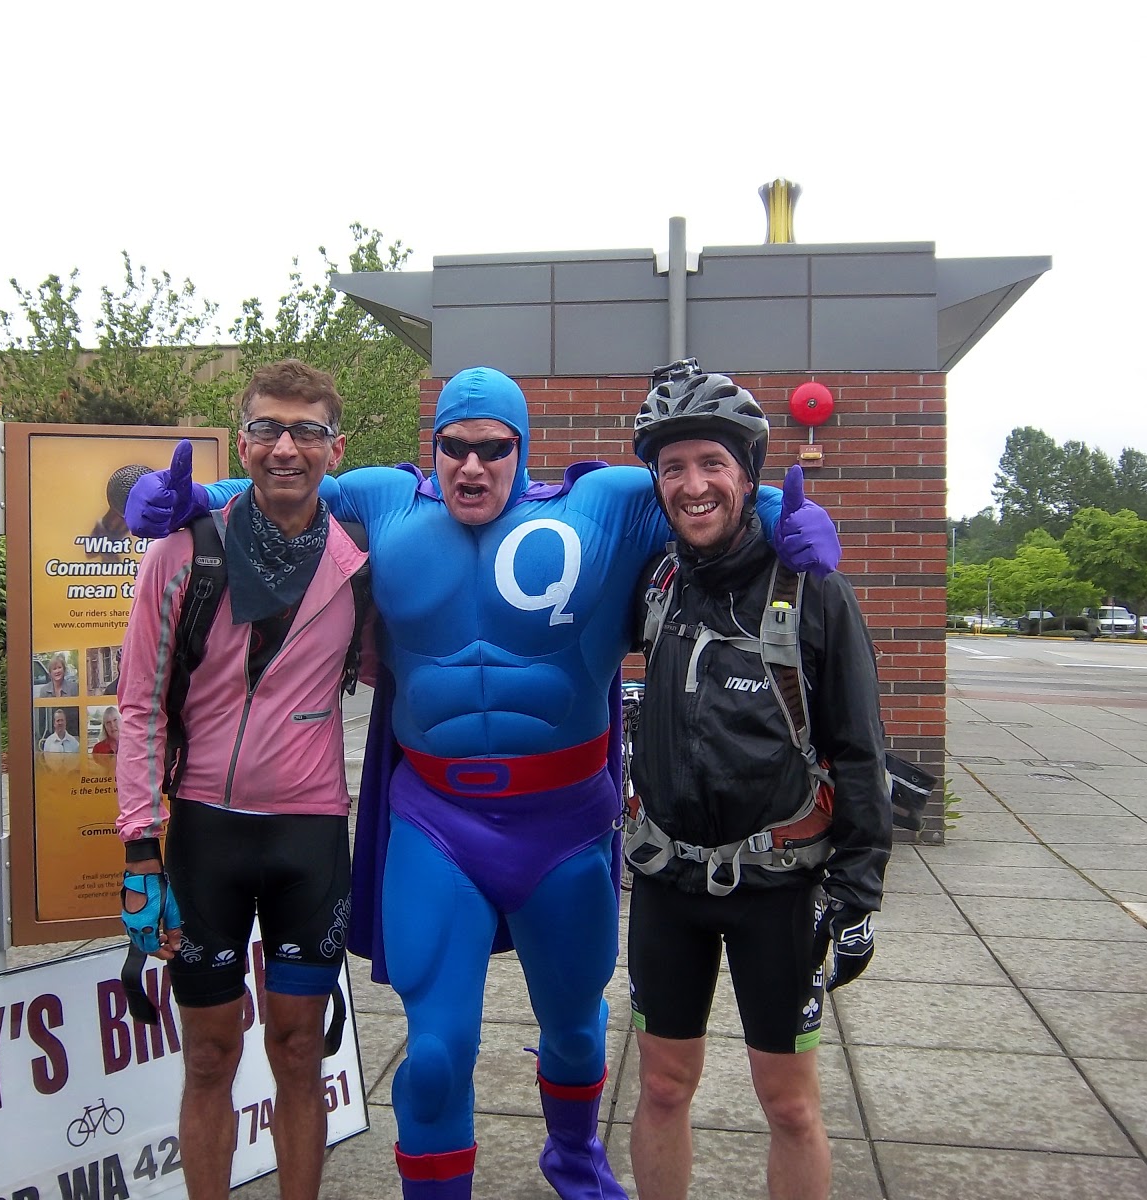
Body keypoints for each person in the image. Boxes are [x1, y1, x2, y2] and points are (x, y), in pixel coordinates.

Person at [126, 365, 841, 1199]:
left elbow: (706, 494)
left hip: (564, 826)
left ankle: (573, 1154)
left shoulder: (601, 505)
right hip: (437, 823)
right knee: (433, 1056)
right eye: (454, 447)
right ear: (433, 448)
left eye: (494, 448)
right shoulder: (387, 503)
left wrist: (787, 518)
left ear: (522, 447)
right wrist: (185, 499)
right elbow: (284, 481)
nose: (472, 465)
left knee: (576, 1031)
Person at [622, 366, 890, 1200]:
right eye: (673, 468)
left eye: (713, 463)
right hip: (667, 881)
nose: (693, 485)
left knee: (791, 1106)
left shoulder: (812, 587)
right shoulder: (657, 582)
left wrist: (858, 888)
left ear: (748, 475)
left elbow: (860, 749)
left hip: (779, 888)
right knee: (662, 1086)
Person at [115, 359, 370, 1200]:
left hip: (309, 836)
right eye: (266, 428)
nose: (285, 448)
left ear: (336, 447)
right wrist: (139, 847)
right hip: (205, 835)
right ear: (243, 439)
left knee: (299, 1052)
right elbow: (140, 704)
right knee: (208, 1055)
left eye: (306, 431)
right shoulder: (185, 552)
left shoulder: (359, 563)